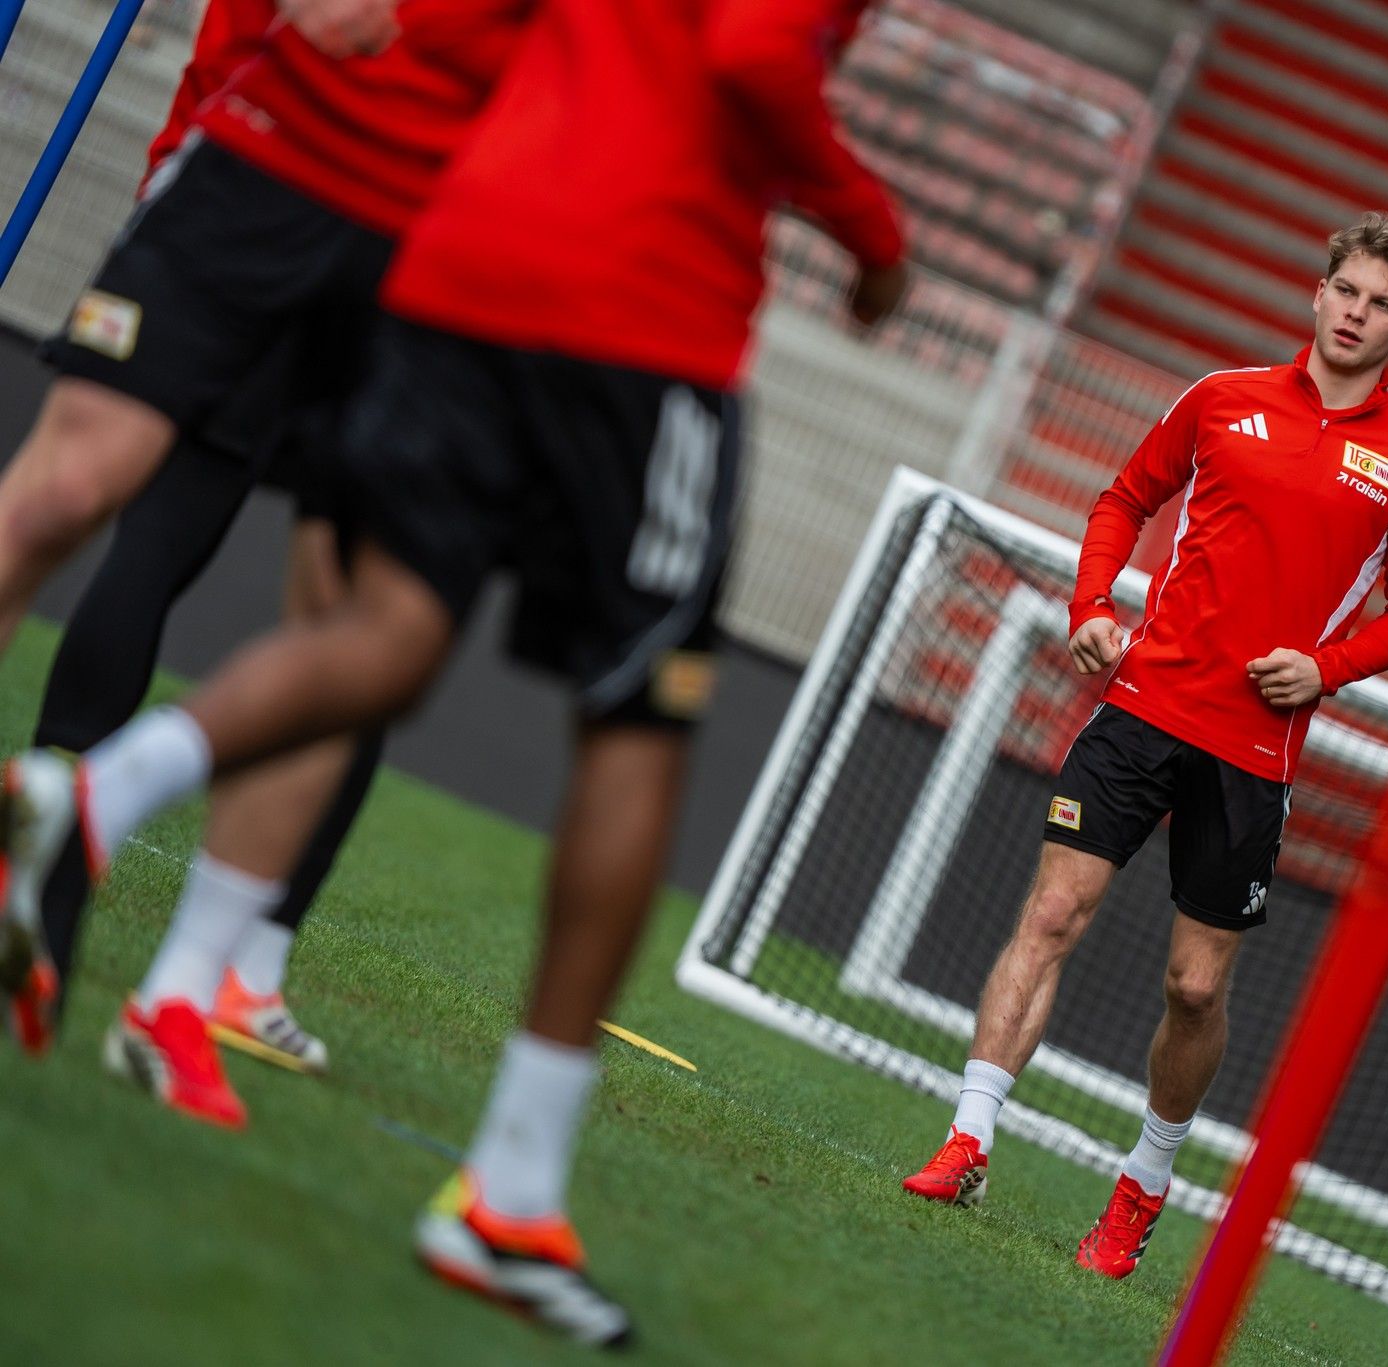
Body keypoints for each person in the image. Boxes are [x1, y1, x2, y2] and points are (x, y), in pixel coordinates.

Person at [1, 0, 906, 1343]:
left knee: (366, 622)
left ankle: (150, 908)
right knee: (630, 728)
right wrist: (873, 233)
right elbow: (751, 53)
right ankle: (506, 1184)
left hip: (449, 241)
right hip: (515, 252)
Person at [900, 213, 1388, 1281]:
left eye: (1383, 303)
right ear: (1316, 292)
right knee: (1051, 913)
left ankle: (1142, 1189)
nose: (1356, 312)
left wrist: (1326, 668)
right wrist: (1088, 602)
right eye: (1345, 289)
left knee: (1195, 988)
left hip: (1254, 753)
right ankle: (967, 1137)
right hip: (1143, 705)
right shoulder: (1222, 398)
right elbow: (1125, 497)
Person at [20, 0, 378, 1073]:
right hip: (345, 224)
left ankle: (67, 894)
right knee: (370, 619)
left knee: (163, 544)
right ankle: (224, 966)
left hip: (254, 199)